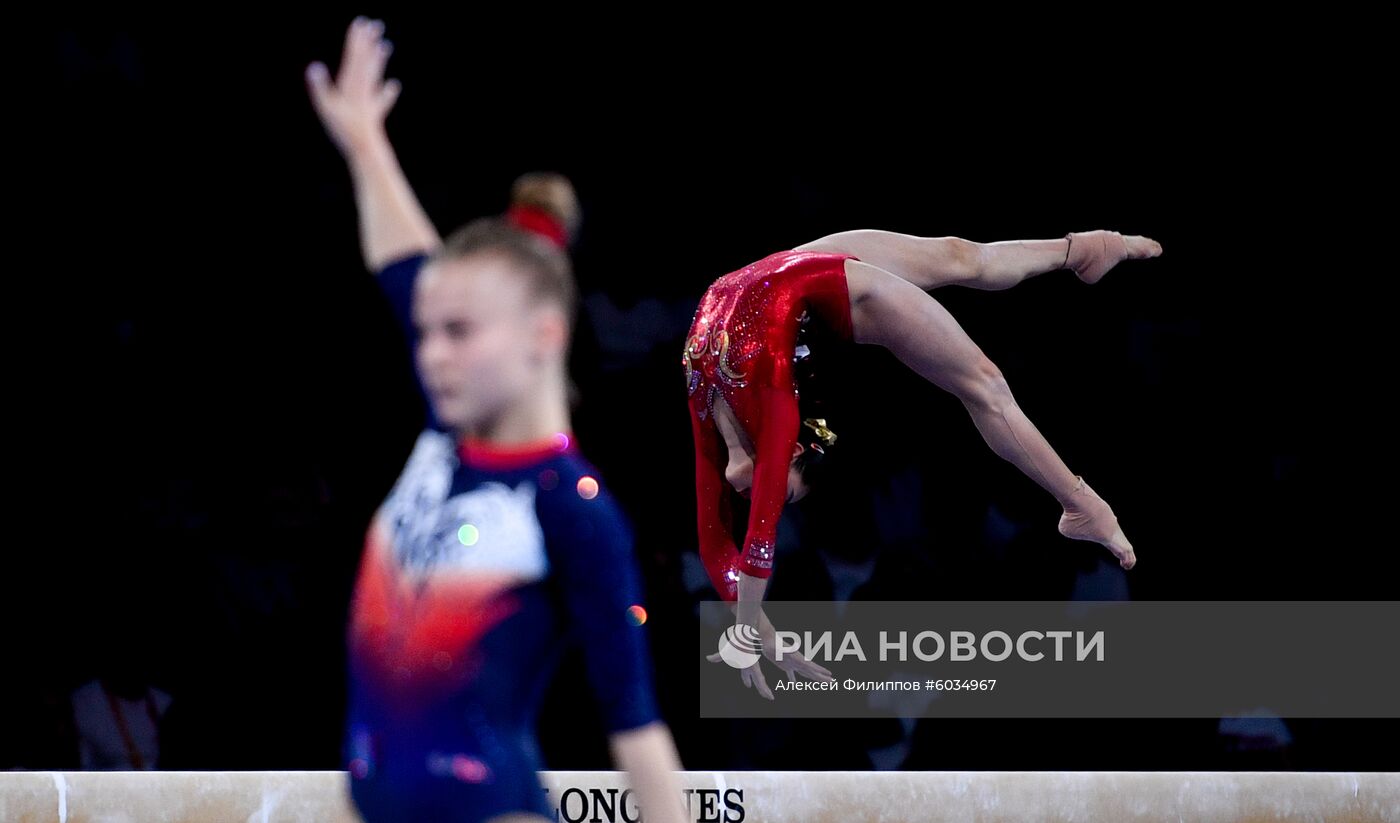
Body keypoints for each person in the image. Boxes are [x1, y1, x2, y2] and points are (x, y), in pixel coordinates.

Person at [306, 17, 686, 823]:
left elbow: (639, 734)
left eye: (458, 333)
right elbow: (411, 268)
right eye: (429, 332)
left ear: (542, 338)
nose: (433, 352)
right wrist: (367, 146)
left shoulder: (571, 511)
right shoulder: (441, 445)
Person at [688, 229, 1161, 696]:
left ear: (791, 453)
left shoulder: (774, 421)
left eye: (785, 492)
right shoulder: (721, 420)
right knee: (959, 261)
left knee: (984, 377)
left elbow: (754, 540)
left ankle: (1081, 504)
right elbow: (715, 543)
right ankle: (1089, 250)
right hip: (785, 277)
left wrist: (749, 630)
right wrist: (760, 632)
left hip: (819, 284)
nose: (770, 502)